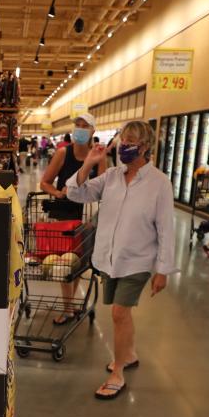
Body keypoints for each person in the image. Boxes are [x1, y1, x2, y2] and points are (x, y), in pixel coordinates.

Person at [66, 120, 176, 400]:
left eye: (132, 143)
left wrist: (162, 270)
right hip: (109, 258)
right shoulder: (112, 176)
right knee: (121, 314)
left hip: (137, 260)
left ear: (146, 147)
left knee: (118, 313)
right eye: (123, 141)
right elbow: (76, 193)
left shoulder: (159, 183)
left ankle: (118, 375)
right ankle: (129, 354)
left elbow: (165, 228)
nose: (125, 147)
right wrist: (89, 163)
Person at [40, 113, 107, 325]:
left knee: (78, 261)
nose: (79, 128)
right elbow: (45, 182)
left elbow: (103, 185)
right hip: (63, 214)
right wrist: (57, 193)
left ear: (92, 131)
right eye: (77, 125)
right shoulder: (63, 153)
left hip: (87, 214)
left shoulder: (99, 156)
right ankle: (68, 307)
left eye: (84, 125)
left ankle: (68, 306)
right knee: (64, 261)